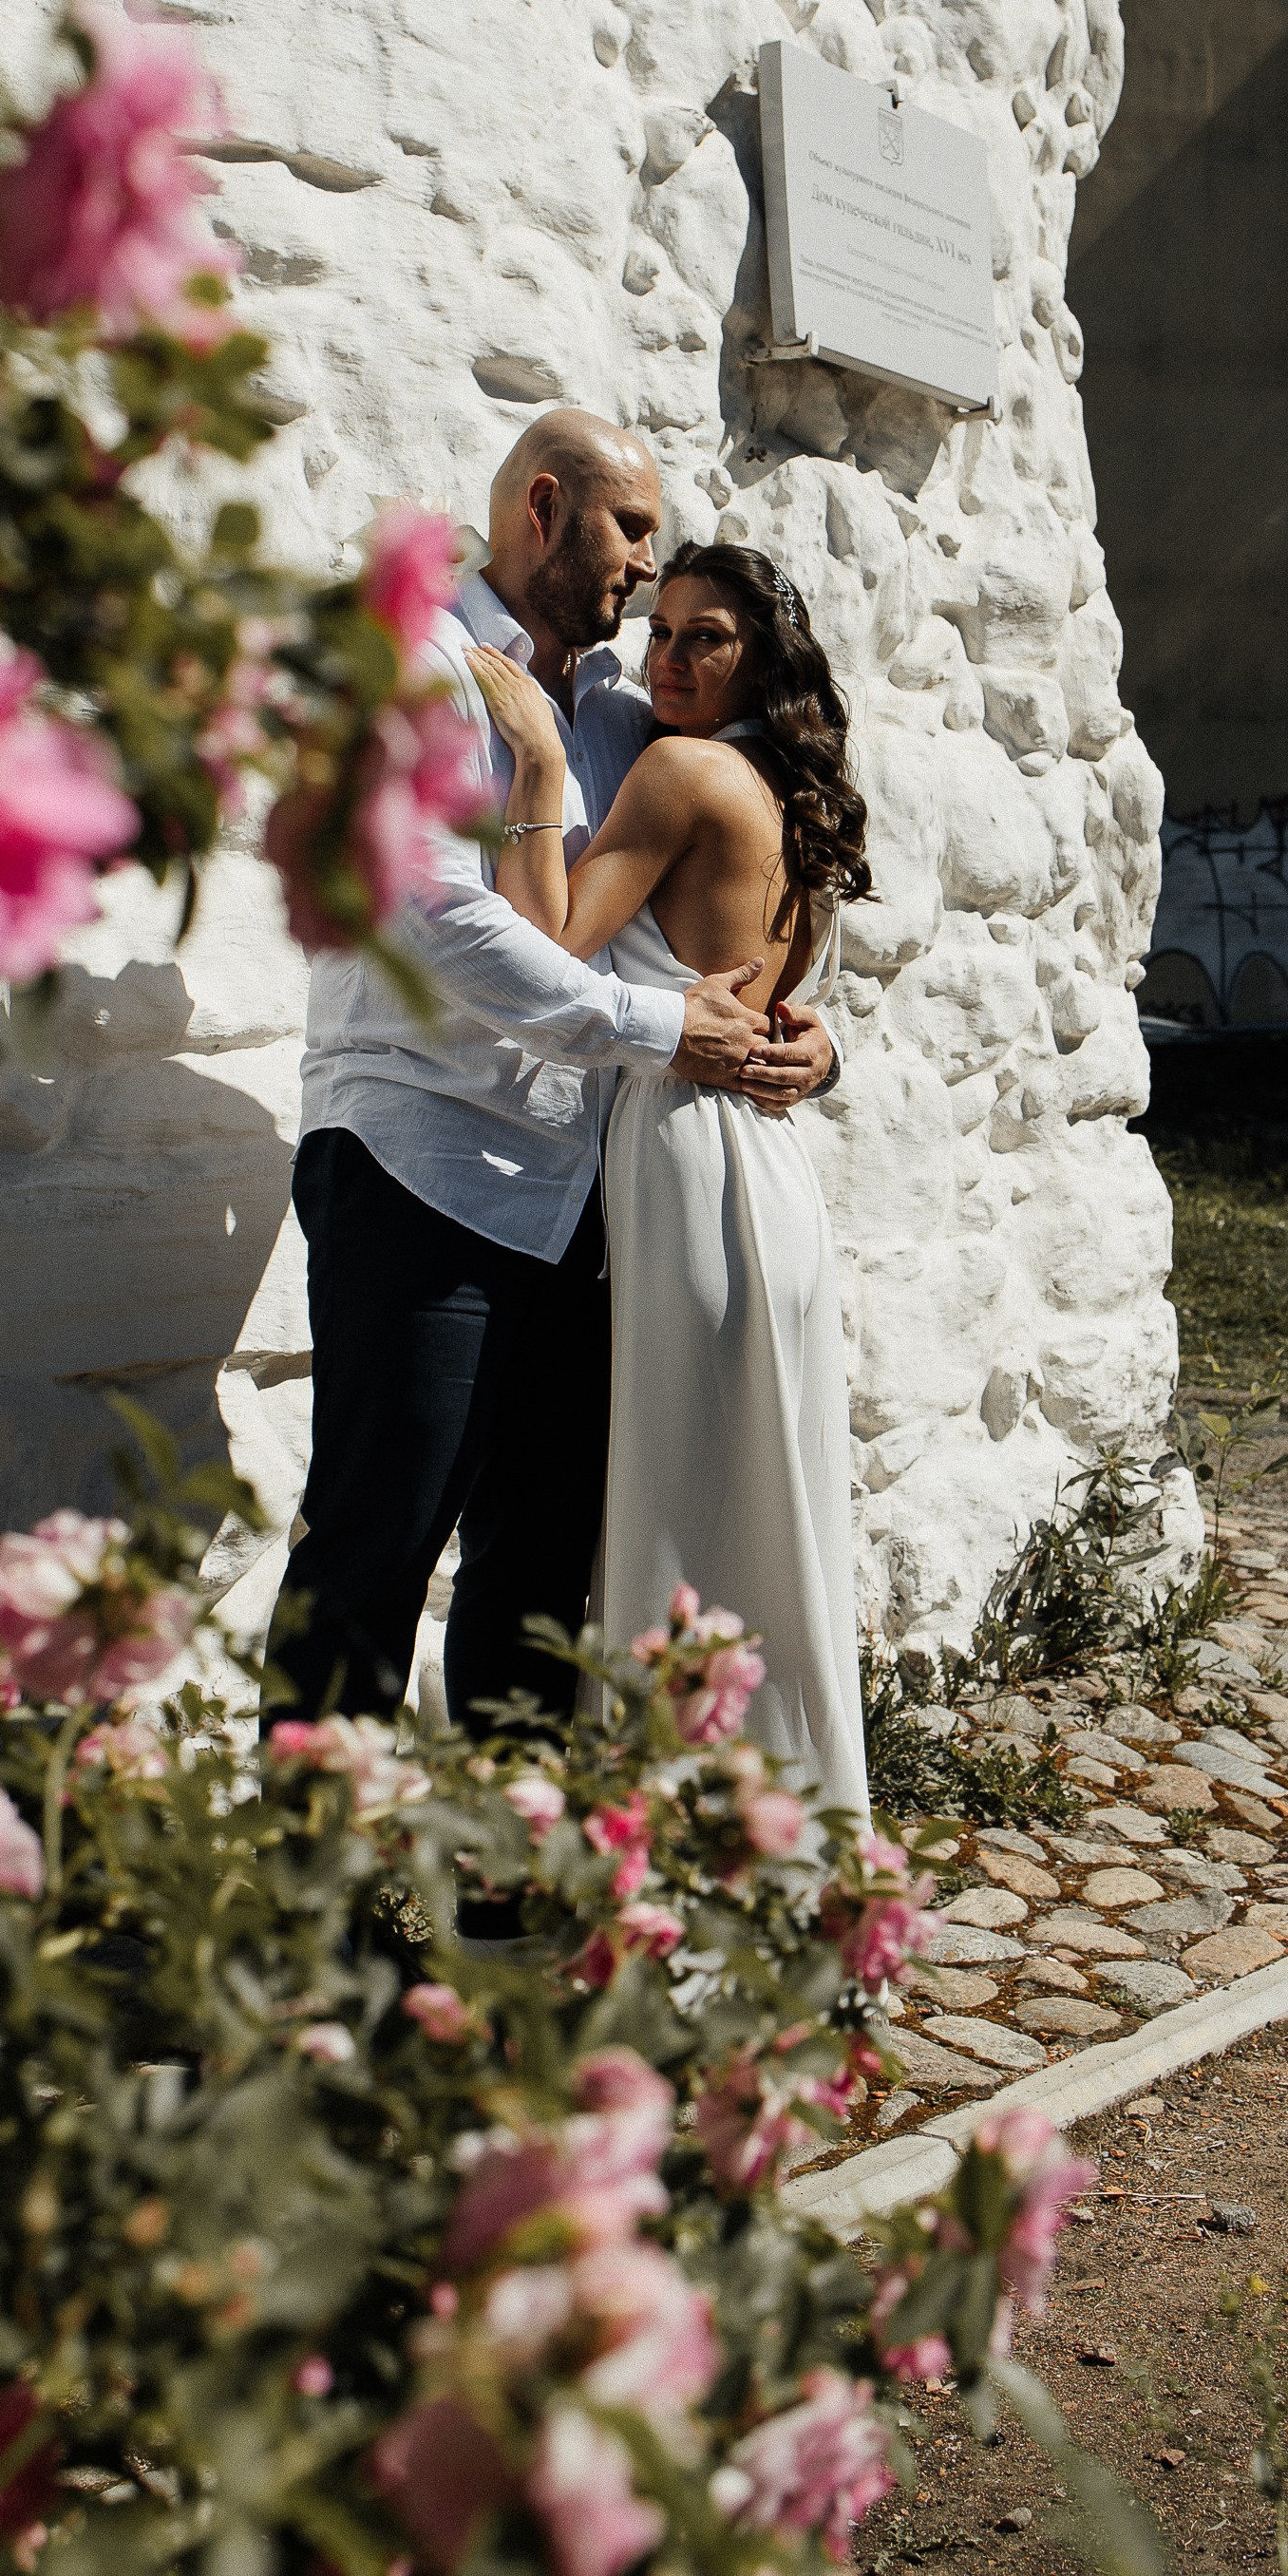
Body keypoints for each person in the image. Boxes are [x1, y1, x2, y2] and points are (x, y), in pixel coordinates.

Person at [280, 414, 841, 1748]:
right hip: (424, 1171)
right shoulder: (413, 666)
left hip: (588, 1207)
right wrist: (658, 1028)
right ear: (544, 508)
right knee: (373, 1552)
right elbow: (430, 912)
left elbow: (720, 912)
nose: (647, 564)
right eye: (631, 528)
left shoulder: (626, 714)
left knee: (537, 1578)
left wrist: (809, 1039)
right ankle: (315, 1876)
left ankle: (510, 1860)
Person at [469, 542, 874, 1815]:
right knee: (769, 1512)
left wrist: (539, 769)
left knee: (682, 1512)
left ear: (765, 659)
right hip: (775, 1172)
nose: (669, 659)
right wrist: (822, 1051)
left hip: (688, 1158)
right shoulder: (798, 796)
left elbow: (547, 948)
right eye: (661, 631)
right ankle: (785, 1828)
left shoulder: (682, 772)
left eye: (707, 638)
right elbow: (797, 1007)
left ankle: (678, 1842)